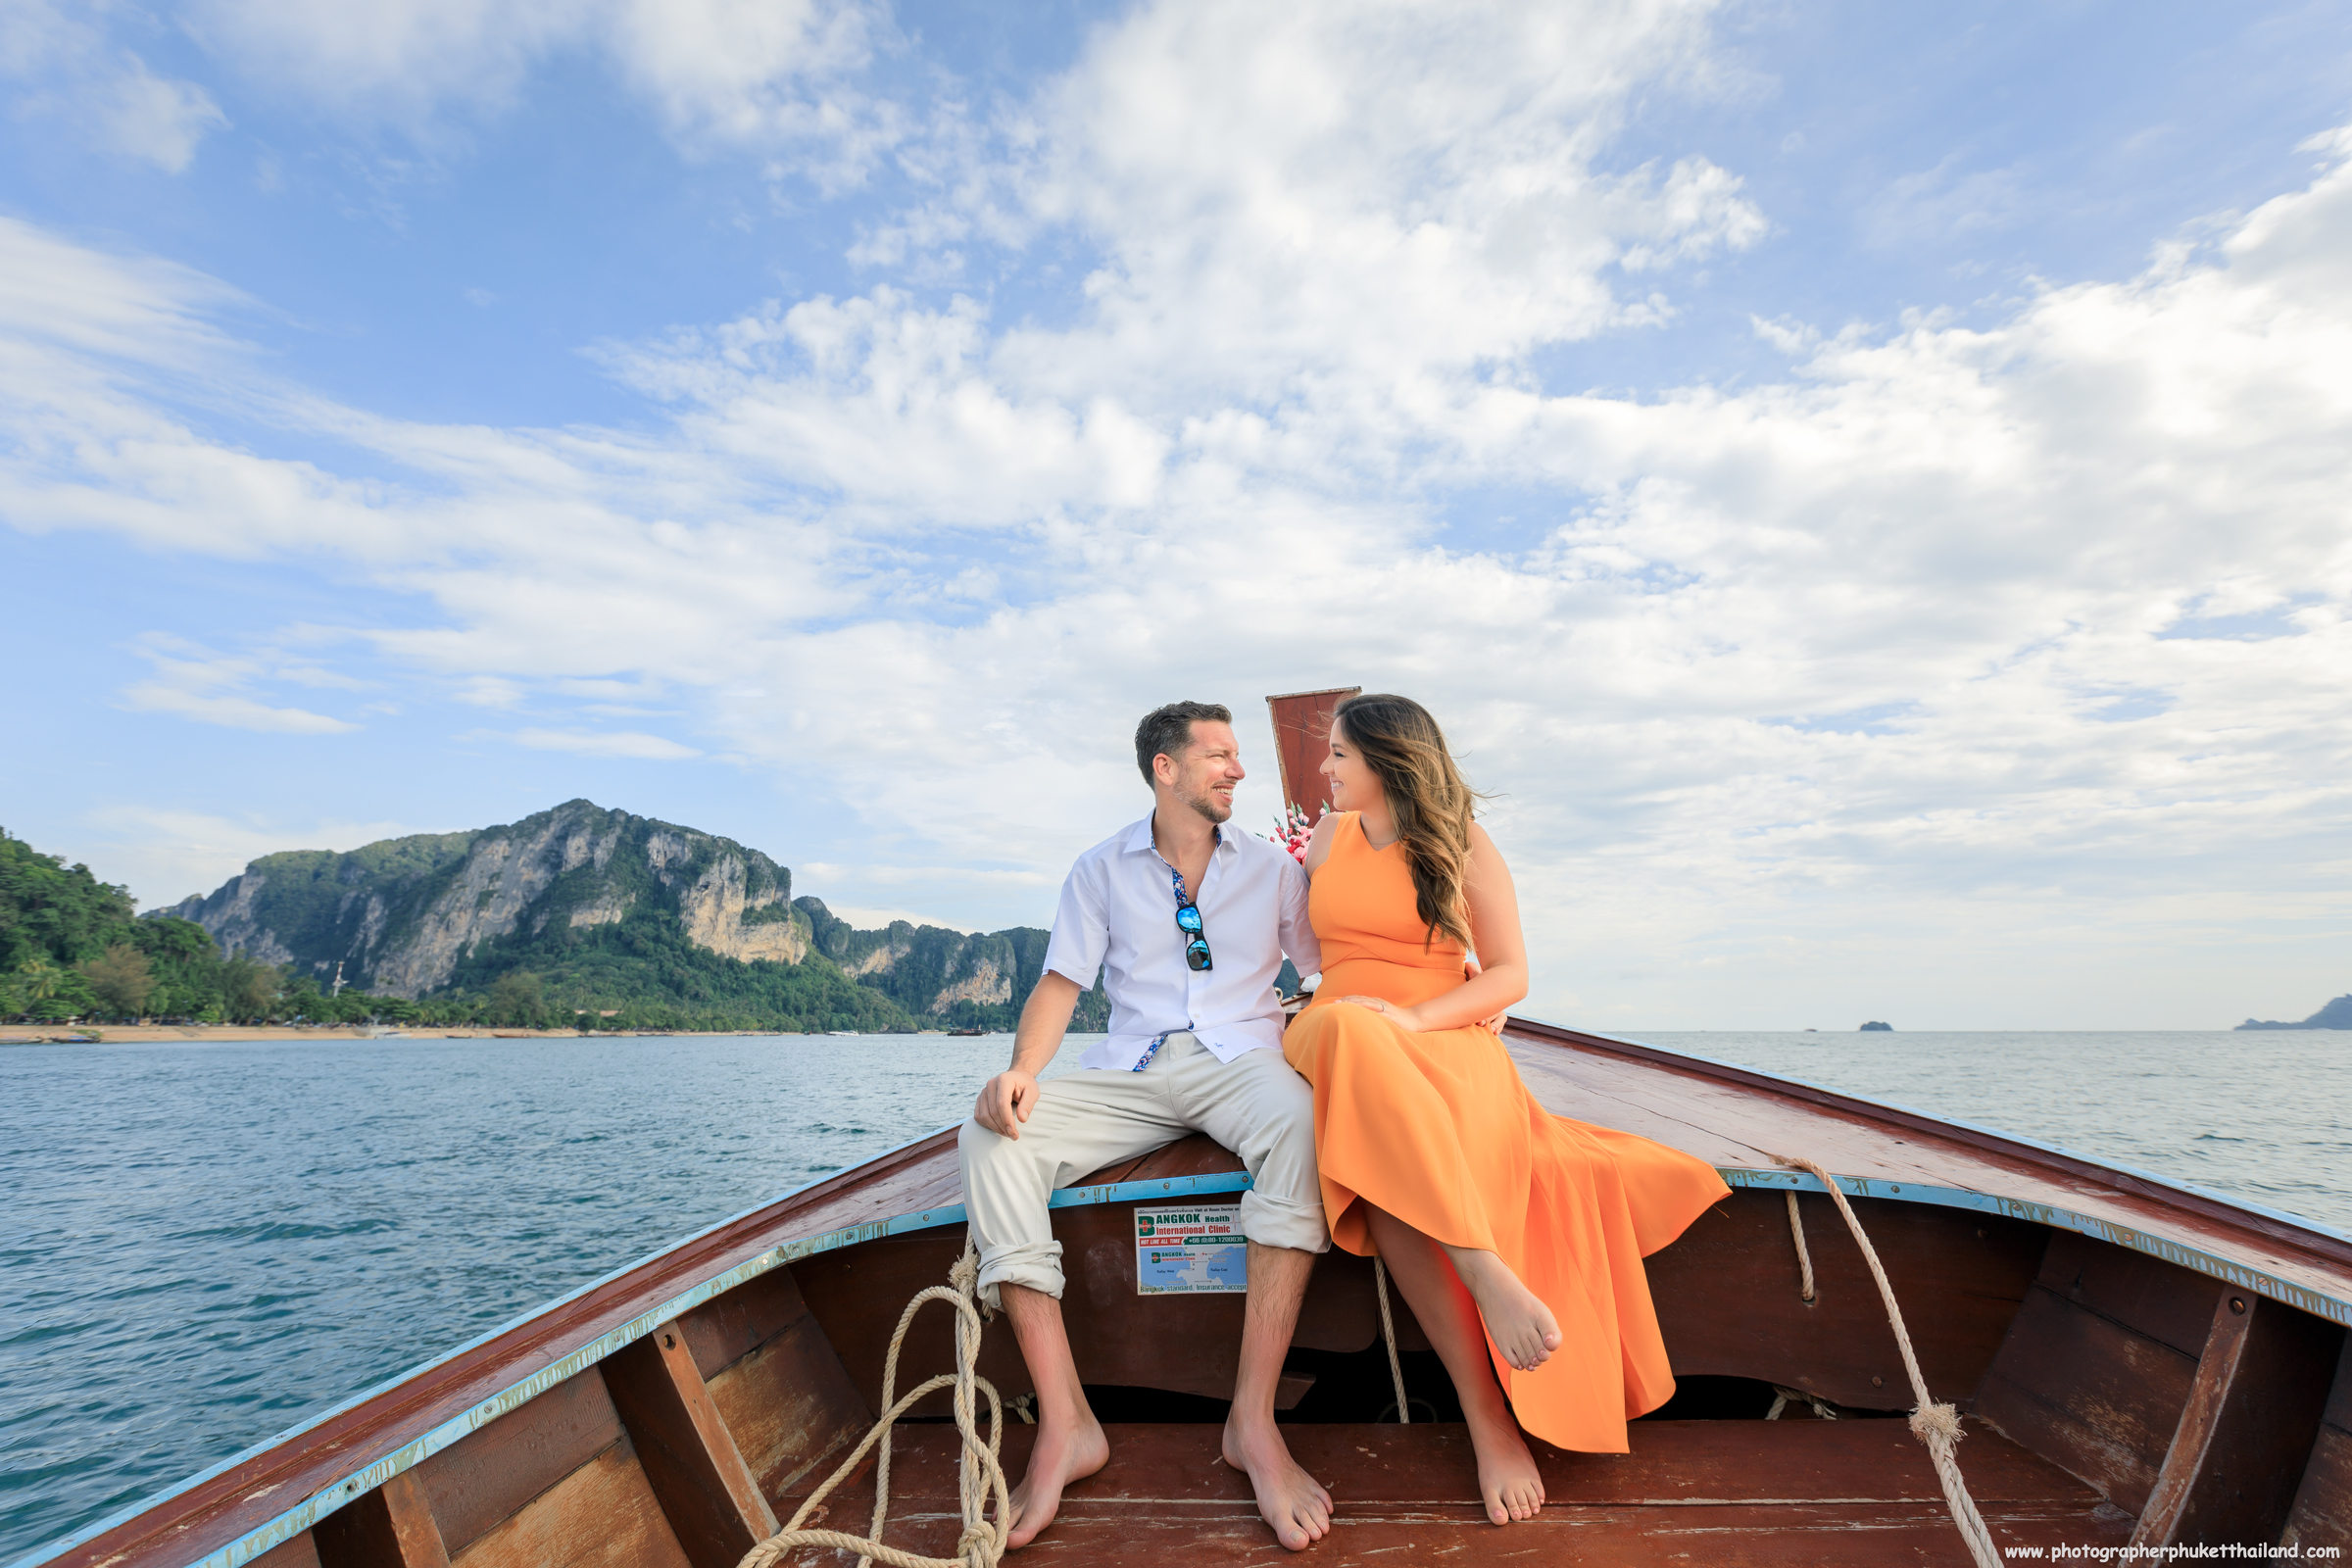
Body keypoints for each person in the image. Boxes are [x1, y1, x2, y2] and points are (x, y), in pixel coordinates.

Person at [1282, 692, 1732, 1527]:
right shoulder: (1322, 840)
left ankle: (1490, 1420)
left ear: (1387, 761)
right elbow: (1294, 947)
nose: (1325, 768)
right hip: (1336, 1030)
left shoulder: (1461, 845)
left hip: (1437, 1035)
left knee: (1392, 1190)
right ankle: (1488, 1277)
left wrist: (1419, 1016)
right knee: (1348, 1028)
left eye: (1339, 754)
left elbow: (1511, 973)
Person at [958, 701, 1334, 1552]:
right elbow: (1060, 985)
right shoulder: (1098, 871)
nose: (1237, 770)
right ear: (1165, 769)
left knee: (1303, 1130)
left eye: (1238, 755)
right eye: (1218, 756)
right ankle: (1067, 1423)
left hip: (1242, 1057)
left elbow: (1322, 972)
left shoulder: (1274, 870)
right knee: (989, 1138)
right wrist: (1022, 1072)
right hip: (1131, 1068)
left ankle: (1252, 1422)